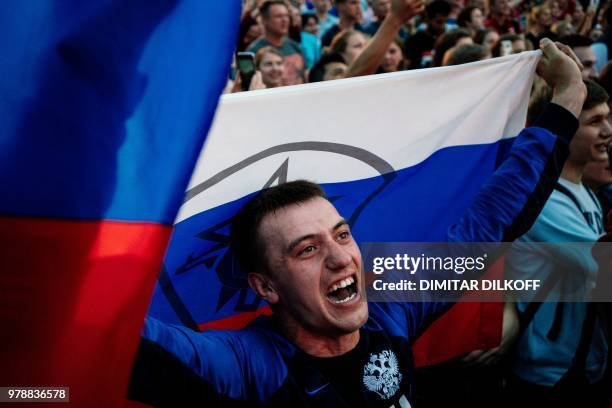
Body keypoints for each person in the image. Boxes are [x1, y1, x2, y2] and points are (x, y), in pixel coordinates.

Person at [128, 38, 588, 406]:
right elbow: (125, 338)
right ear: (265, 286)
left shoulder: (393, 313)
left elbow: (488, 221)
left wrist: (568, 99)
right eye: (306, 249)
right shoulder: (251, 367)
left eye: (342, 234)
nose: (340, 258)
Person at [505, 80, 611, 407]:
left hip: (580, 361)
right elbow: (604, 270)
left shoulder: (583, 190)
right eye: (594, 122)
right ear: (566, 130)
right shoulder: (547, 202)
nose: (608, 130)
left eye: (608, 117)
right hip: (550, 373)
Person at [248, 0, 306, 85]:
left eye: (286, 16)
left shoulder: (295, 46)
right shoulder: (254, 51)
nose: (285, 20)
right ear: (264, 20)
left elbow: (305, 77)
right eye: (278, 16)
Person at [404, 0, 452, 69]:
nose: (442, 26)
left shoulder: (450, 39)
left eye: (446, 22)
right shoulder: (414, 41)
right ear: (427, 19)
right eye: (439, 22)